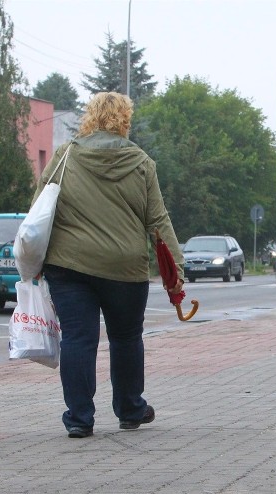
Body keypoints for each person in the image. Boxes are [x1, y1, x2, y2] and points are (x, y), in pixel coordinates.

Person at [33, 92, 184, 439]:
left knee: (78, 339)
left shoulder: (65, 156)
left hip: (69, 267)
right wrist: (175, 273)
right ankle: (131, 410)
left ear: (90, 116)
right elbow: (157, 222)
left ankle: (79, 418)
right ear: (124, 120)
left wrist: (33, 260)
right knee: (126, 337)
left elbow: (40, 209)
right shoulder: (142, 162)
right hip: (125, 269)